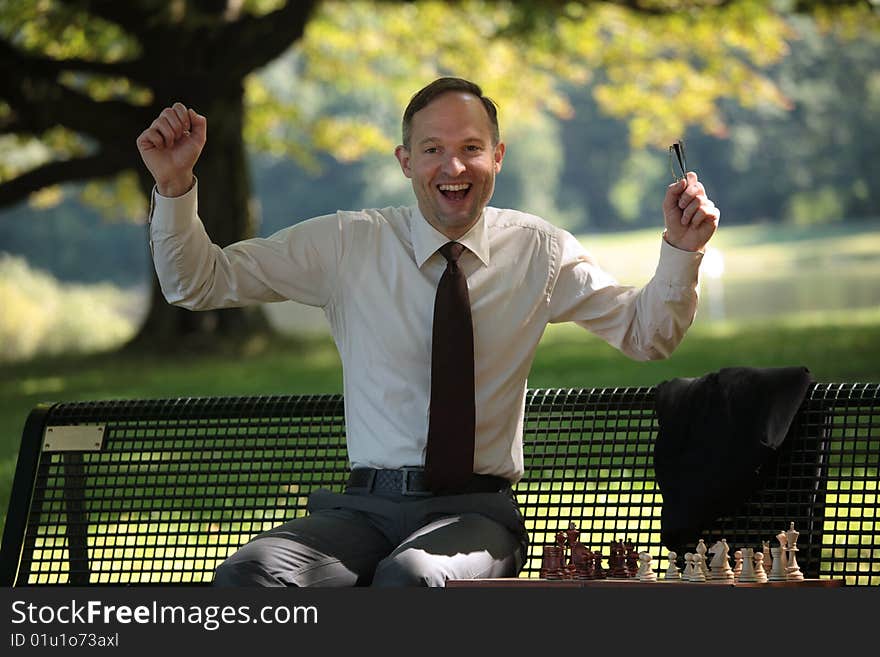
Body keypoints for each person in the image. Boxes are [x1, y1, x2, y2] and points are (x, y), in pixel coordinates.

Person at [136, 77, 720, 587]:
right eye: (433, 149)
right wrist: (173, 186)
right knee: (250, 574)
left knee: (414, 577)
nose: (453, 167)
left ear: (498, 157)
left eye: (471, 148)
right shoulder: (347, 245)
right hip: (362, 511)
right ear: (405, 161)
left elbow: (648, 335)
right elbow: (198, 283)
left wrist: (682, 250)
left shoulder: (538, 251)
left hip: (478, 514)